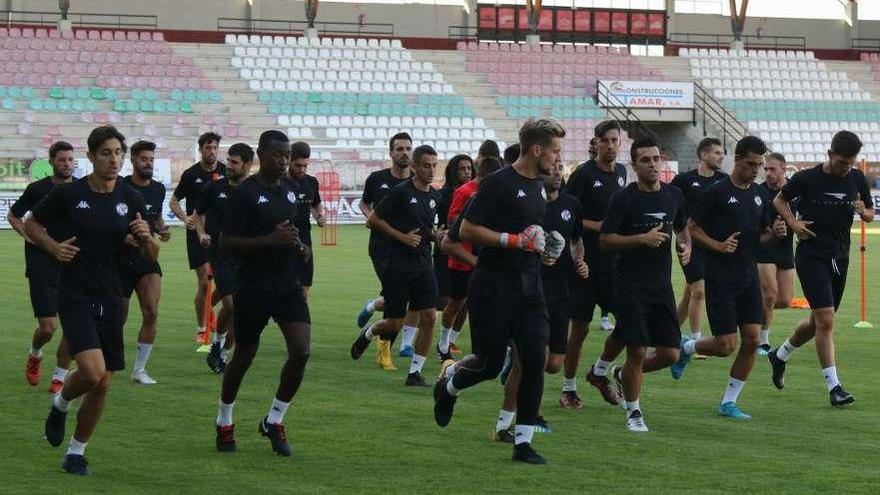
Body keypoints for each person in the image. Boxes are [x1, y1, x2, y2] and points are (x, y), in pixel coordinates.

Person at [433, 118, 566, 465]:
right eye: (555, 151)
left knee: (535, 359)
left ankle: (522, 443)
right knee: (489, 364)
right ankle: (448, 386)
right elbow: (465, 229)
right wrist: (514, 241)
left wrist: (546, 247)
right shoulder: (498, 183)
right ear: (536, 150)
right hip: (493, 286)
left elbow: (530, 234)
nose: (558, 158)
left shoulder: (539, 186)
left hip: (531, 287)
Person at [31, 126, 157, 475]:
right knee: (91, 370)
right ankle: (60, 402)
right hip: (74, 294)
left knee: (102, 383)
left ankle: (76, 452)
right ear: (91, 157)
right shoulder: (70, 195)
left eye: (118, 152)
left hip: (111, 296)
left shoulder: (130, 198)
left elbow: (149, 252)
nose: (113, 159)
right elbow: (32, 223)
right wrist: (52, 247)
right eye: (106, 152)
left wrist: (147, 239)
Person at [670, 136, 786, 420]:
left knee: (752, 340)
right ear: (737, 160)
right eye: (751, 164)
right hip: (721, 276)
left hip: (748, 275)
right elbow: (692, 228)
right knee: (725, 346)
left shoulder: (759, 194)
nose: (756, 170)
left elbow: (761, 236)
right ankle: (687, 347)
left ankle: (728, 402)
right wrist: (718, 245)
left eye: (760, 165)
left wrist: (776, 233)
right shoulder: (717, 192)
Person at [213, 131, 312, 456]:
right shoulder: (244, 194)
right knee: (244, 356)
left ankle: (274, 419)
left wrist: (300, 248)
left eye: (286, 155)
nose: (283, 161)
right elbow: (226, 243)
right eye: (277, 155)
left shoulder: (291, 190)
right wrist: (269, 241)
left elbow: (290, 231)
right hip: (253, 285)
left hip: (287, 285)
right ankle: (224, 420)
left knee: (301, 351)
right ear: (261, 155)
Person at [589, 137, 691, 432]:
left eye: (656, 159)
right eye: (645, 160)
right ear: (634, 165)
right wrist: (641, 239)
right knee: (636, 349)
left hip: (661, 286)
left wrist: (686, 247)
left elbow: (683, 229)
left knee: (670, 353)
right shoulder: (624, 198)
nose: (653, 165)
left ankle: (619, 374)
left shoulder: (674, 196)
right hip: (630, 284)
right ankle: (634, 413)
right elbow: (606, 240)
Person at [768, 131, 874, 407]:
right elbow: (779, 200)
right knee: (826, 319)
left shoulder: (856, 179)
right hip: (811, 256)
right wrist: (793, 223)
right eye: (841, 162)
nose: (845, 168)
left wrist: (863, 211)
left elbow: (869, 214)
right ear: (829, 155)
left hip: (840, 256)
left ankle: (780, 354)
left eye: (850, 163)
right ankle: (834, 387)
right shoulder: (807, 178)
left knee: (818, 322)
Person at [492, 157, 588, 442]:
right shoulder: (530, 202)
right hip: (530, 290)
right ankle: (505, 426)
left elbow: (577, 240)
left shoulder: (572, 205)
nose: (557, 171)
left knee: (554, 364)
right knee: (531, 362)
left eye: (561, 167)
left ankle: (514, 364)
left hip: (561, 293)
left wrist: (580, 261)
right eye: (553, 166)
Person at [350, 145, 443, 386]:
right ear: (414, 166)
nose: (431, 170)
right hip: (397, 266)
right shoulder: (401, 192)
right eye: (426, 165)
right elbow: (374, 220)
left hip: (423, 264)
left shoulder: (435, 196)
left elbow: (425, 230)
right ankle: (369, 332)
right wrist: (402, 237)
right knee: (395, 323)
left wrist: (437, 236)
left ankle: (414, 373)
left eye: (434, 165)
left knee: (430, 317)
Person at [559, 120, 627, 410]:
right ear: (596, 142)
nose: (610, 145)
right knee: (581, 328)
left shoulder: (622, 173)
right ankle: (569, 389)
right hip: (584, 263)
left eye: (615, 140)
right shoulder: (584, 175)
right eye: (606, 141)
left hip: (614, 264)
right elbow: (566, 214)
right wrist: (596, 226)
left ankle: (598, 371)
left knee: (629, 321)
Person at [8, 141, 75, 393]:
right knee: (48, 328)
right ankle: (35, 354)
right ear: (51, 162)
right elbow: (14, 215)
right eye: (62, 160)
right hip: (41, 264)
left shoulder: (81, 189)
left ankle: (60, 375)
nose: (67, 164)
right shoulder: (37, 189)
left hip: (72, 263)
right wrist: (27, 235)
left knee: (73, 323)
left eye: (70, 159)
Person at [355, 132, 419, 369]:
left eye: (408, 148)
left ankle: (373, 305)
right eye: (399, 149)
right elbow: (364, 203)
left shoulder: (416, 180)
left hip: (406, 249)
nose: (404, 152)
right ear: (391, 153)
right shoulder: (377, 179)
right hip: (381, 248)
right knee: (395, 297)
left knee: (398, 297)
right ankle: (384, 351)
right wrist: (369, 216)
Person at [195, 143, 254, 373]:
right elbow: (197, 215)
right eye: (228, 160)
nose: (228, 165)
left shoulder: (253, 190)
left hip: (247, 258)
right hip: (220, 255)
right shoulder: (213, 188)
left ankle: (222, 352)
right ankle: (217, 344)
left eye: (234, 162)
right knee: (230, 304)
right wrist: (201, 233)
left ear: (247, 165)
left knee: (239, 314)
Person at [440, 156, 505, 360]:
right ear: (481, 175)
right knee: (456, 302)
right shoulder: (464, 192)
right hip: (461, 258)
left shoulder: (495, 192)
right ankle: (443, 342)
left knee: (473, 303)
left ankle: (452, 341)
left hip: (484, 255)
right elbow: (452, 219)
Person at [119, 141, 172, 385]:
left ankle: (139, 370)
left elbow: (156, 216)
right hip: (119, 259)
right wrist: (124, 236)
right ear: (133, 160)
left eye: (151, 159)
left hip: (147, 257)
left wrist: (162, 229)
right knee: (117, 317)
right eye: (143, 159)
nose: (148, 163)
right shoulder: (120, 187)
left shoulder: (159, 189)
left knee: (151, 312)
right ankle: (106, 360)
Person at [670, 138, 728, 352]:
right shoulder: (684, 180)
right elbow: (669, 204)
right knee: (699, 292)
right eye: (716, 152)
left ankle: (668, 333)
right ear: (703, 155)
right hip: (689, 243)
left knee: (690, 295)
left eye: (722, 153)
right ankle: (695, 342)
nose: (721, 156)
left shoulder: (724, 181)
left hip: (712, 245)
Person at [170, 132, 226, 343]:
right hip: (197, 234)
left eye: (215, 148)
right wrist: (185, 219)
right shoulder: (191, 174)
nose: (211, 152)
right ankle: (202, 328)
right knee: (204, 283)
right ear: (201, 149)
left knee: (224, 282)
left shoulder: (225, 172)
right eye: (208, 148)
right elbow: (173, 202)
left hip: (220, 235)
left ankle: (205, 307)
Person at [756, 153, 796, 355]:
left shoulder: (794, 191)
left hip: (786, 250)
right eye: (766, 169)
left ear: (784, 169)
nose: (768, 173)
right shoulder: (759, 192)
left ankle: (752, 307)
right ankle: (762, 341)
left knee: (784, 300)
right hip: (764, 250)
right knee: (770, 295)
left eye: (773, 169)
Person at [435, 154, 473, 360]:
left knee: (463, 301)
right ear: (453, 171)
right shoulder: (445, 194)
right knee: (443, 300)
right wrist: (438, 234)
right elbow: (440, 222)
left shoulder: (477, 192)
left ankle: (449, 341)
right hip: (446, 251)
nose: (467, 172)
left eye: (469, 168)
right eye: (462, 169)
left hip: (467, 252)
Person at [286, 141, 326, 301]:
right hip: (282, 241)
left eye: (305, 166)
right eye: (297, 165)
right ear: (289, 161)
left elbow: (315, 204)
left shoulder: (311, 182)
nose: (302, 169)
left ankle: (299, 318)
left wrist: (319, 216)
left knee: (304, 285)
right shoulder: (279, 182)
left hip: (305, 241)